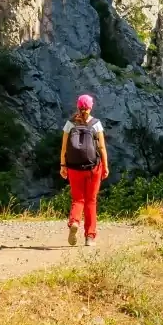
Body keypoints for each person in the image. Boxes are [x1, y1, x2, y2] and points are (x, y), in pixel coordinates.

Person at [59, 93, 108, 245]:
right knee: (91, 201)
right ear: (91, 106)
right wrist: (105, 166)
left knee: (78, 199)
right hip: (93, 168)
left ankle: (74, 222)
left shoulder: (70, 124)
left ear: (78, 106)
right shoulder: (96, 124)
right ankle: (90, 236)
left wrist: (63, 166)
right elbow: (101, 147)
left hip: (74, 168)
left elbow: (64, 148)